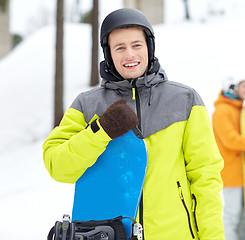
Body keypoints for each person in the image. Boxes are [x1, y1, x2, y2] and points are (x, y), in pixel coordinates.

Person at [43, 8, 225, 240]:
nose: (129, 54)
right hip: (109, 233)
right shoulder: (87, 104)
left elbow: (205, 179)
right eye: (120, 47)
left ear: (149, 47)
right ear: (108, 53)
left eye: (137, 45)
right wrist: (101, 131)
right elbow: (58, 166)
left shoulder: (185, 100)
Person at [212, 78, 245, 240]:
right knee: (232, 216)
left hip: (243, 174)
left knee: (243, 217)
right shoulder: (222, 111)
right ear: (233, 87)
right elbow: (231, 140)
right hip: (230, 174)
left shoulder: (239, 111)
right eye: (243, 87)